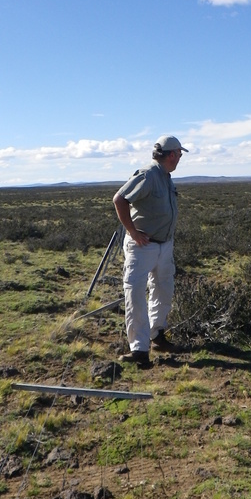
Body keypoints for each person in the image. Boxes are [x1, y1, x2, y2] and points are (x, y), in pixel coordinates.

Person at [113, 134, 188, 367]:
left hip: (164, 245)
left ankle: (157, 335)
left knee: (163, 289)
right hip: (142, 246)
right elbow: (120, 199)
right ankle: (139, 349)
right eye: (180, 154)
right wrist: (133, 232)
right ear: (173, 154)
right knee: (135, 293)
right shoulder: (148, 175)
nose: (180, 159)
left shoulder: (166, 177)